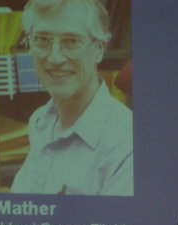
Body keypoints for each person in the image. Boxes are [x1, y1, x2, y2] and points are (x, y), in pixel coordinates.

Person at [11, 0, 132, 196]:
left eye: (72, 41)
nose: (55, 58)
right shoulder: (40, 121)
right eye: (42, 39)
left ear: (99, 49)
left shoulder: (126, 143)